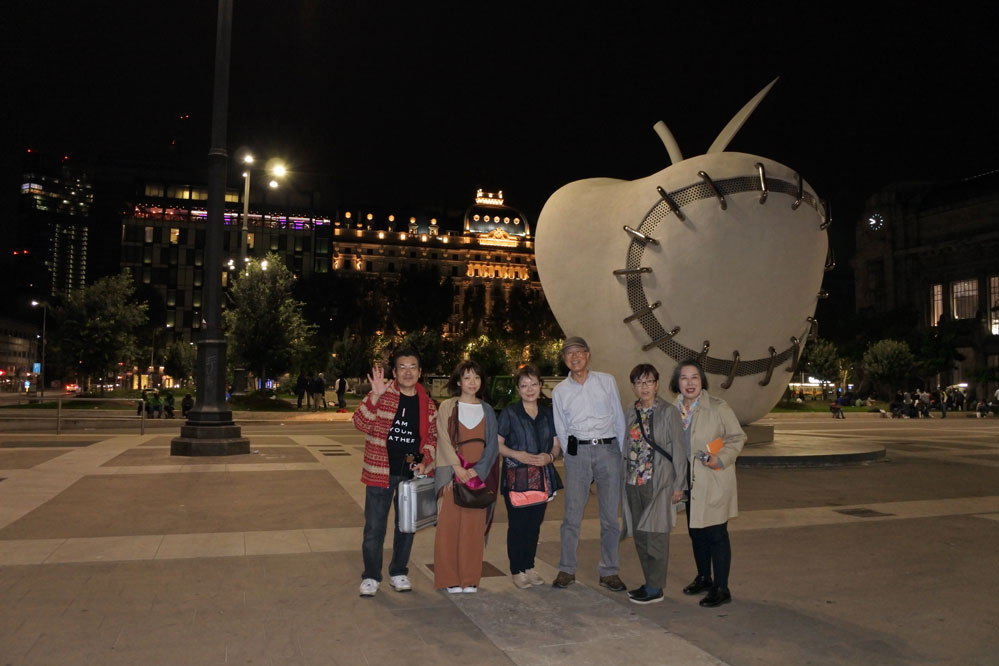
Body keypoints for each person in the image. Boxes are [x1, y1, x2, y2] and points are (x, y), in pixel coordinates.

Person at [353, 347, 437, 598]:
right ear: (395, 372)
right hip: (380, 471)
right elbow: (360, 423)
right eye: (402, 367)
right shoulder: (383, 394)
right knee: (374, 528)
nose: (407, 372)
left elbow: (431, 438)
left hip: (409, 474)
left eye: (412, 367)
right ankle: (371, 576)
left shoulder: (427, 404)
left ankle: (398, 571)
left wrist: (424, 460)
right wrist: (374, 397)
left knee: (406, 527)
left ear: (420, 372)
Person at [551, 336, 628, 592]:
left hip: (608, 450)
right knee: (571, 515)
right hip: (578, 452)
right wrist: (571, 455)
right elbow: (561, 427)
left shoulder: (607, 381)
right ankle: (566, 569)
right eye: (569, 353)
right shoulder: (560, 391)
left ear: (588, 355)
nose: (574, 357)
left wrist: (620, 452)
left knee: (609, 517)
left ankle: (609, 571)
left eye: (579, 352)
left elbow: (618, 418)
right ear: (564, 359)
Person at [671, 359, 746, 608]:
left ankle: (722, 588)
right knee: (696, 532)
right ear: (677, 382)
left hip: (712, 479)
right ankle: (704, 577)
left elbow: (737, 437)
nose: (690, 383)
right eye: (684, 378)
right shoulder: (672, 410)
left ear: (702, 380)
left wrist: (721, 458)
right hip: (687, 481)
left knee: (716, 533)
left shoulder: (717, 407)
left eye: (694, 377)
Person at [622, 364, 687, 605]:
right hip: (633, 482)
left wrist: (679, 484)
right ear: (633, 387)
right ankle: (649, 581)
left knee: (656, 535)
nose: (644, 387)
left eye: (649, 381)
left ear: (657, 385)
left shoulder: (669, 412)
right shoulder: (630, 412)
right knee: (640, 534)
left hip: (658, 482)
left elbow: (679, 449)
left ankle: (655, 587)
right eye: (639, 382)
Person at [434, 360, 500, 593]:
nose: (472, 382)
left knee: (473, 528)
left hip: (478, 477)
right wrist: (457, 467)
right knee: (448, 528)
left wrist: (477, 471)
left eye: (477, 377)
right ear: (459, 381)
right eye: (467, 377)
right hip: (453, 474)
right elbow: (442, 437)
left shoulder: (487, 410)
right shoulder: (447, 407)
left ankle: (470, 578)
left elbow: (492, 446)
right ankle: (449, 578)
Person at [497, 364, 562, 589]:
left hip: (541, 477)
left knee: (534, 525)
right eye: (524, 385)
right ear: (518, 389)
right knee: (518, 525)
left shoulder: (548, 414)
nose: (530, 389)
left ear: (541, 386)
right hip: (517, 478)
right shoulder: (510, 413)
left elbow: (556, 444)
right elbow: (497, 444)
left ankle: (529, 567)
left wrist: (549, 457)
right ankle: (517, 570)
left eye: (534, 384)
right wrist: (518, 454)